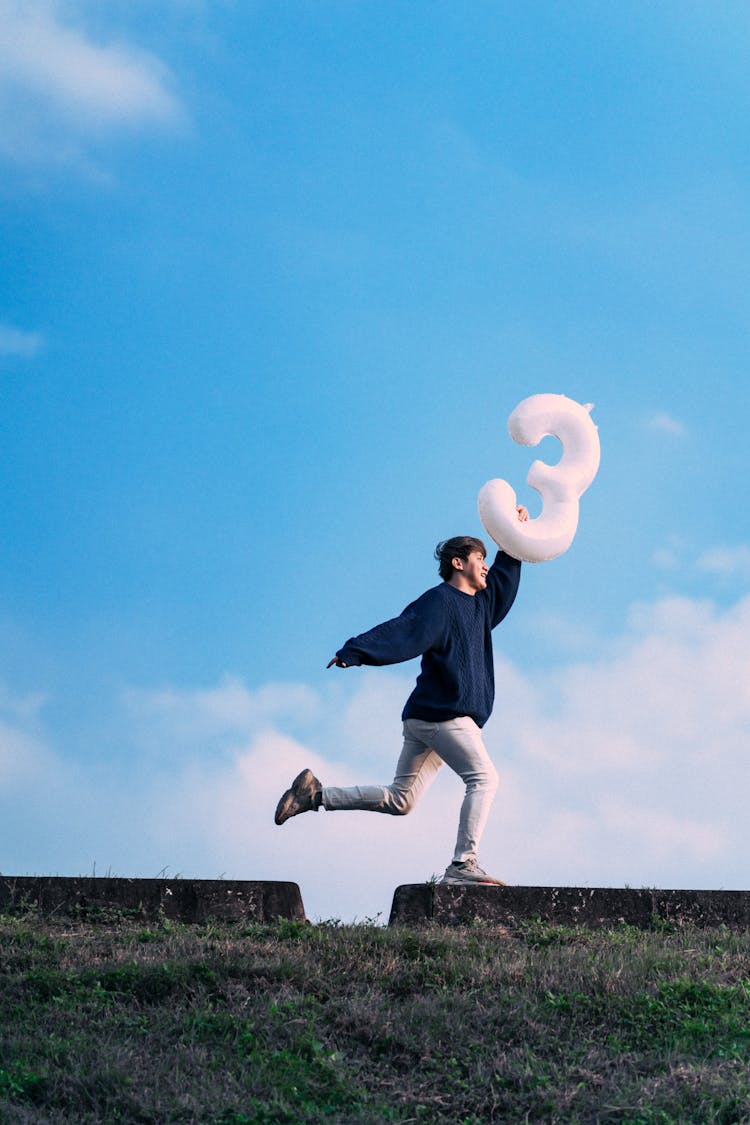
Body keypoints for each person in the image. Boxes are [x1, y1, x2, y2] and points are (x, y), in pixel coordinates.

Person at [274, 510, 528, 885]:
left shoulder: (481, 605)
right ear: (458, 563)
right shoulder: (440, 602)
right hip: (445, 716)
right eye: (479, 559)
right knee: (484, 779)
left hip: (429, 719)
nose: (487, 568)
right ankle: (462, 866)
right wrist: (356, 651)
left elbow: (504, 581)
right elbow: (404, 630)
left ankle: (313, 795)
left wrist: (514, 536)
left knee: (401, 800)